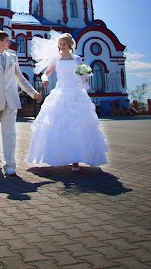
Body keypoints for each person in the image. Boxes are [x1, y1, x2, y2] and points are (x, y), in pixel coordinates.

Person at [26, 31, 108, 171]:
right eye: (61, 44)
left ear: (70, 45)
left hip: (76, 93)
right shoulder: (56, 59)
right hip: (61, 92)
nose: (62, 46)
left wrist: (85, 76)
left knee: (77, 126)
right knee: (59, 126)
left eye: (65, 44)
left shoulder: (77, 59)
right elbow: (47, 73)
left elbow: (81, 75)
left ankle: (76, 160)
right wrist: (44, 79)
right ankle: (63, 156)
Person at [0, 30, 42, 177]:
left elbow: (20, 78)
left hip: (11, 100)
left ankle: (10, 165)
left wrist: (33, 93)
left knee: (10, 134)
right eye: (7, 40)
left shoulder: (13, 57)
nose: (9, 43)